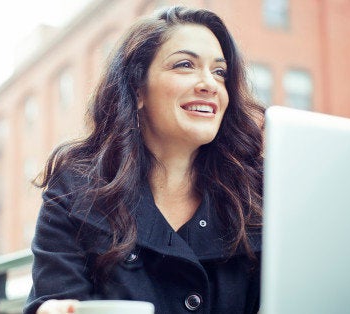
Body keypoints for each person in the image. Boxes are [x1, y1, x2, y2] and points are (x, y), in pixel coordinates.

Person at [24, 6, 264, 314]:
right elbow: (52, 300)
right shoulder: (75, 188)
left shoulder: (259, 190)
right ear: (138, 90)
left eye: (220, 72)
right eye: (185, 65)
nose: (210, 84)